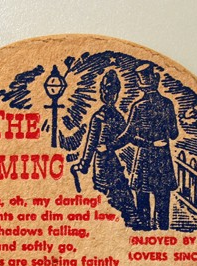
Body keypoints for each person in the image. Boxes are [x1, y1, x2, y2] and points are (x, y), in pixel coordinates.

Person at [103, 62, 179, 230]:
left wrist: (110, 145)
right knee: (162, 202)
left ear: (140, 84)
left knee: (142, 202)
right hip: (162, 159)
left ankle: (145, 234)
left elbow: (128, 135)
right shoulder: (167, 104)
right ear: (156, 80)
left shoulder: (138, 106)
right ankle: (163, 234)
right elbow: (174, 134)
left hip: (144, 159)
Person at [72, 70, 137, 227]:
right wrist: (84, 164)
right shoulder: (106, 117)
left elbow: (124, 137)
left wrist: (84, 164)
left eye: (111, 91)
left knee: (115, 196)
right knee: (113, 196)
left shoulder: (111, 117)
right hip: (104, 163)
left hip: (107, 162)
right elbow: (92, 144)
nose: (108, 95)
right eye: (107, 90)